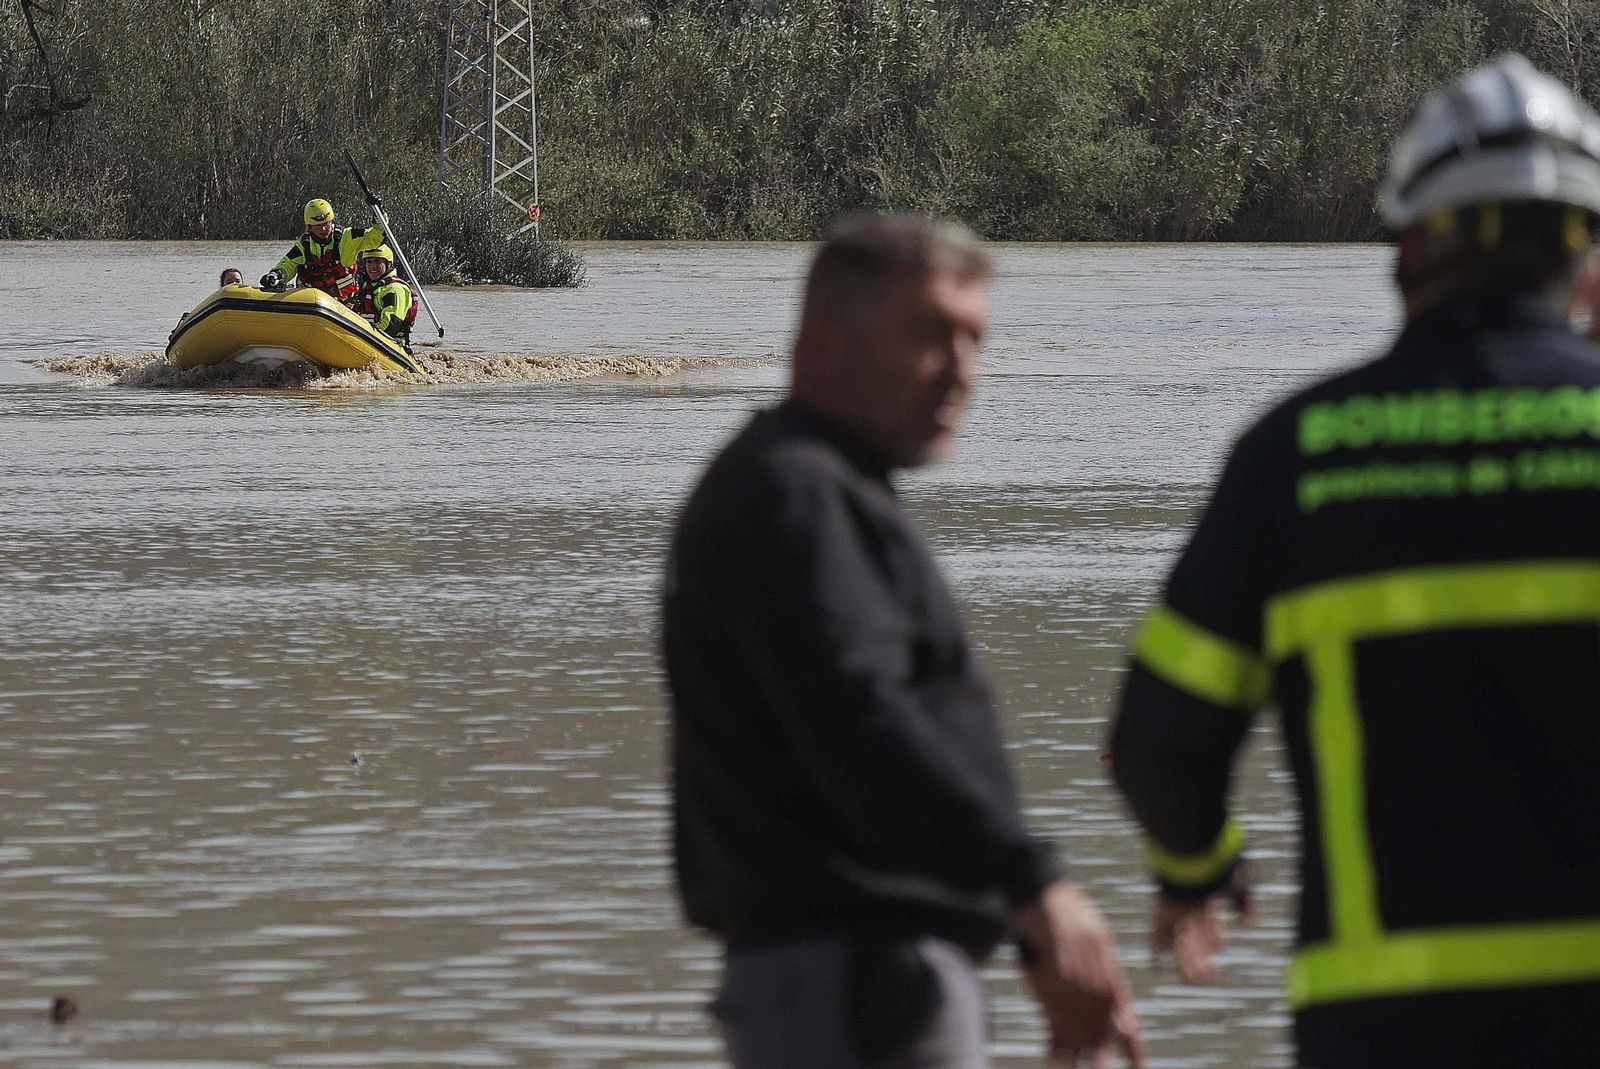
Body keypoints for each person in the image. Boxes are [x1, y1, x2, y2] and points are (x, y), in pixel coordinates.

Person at [1108, 53, 1600, 1068]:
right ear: (1584, 256)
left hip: (1388, 1026)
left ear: (1408, 246)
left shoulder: (1296, 455)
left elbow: (1158, 738)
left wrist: (1196, 868)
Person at [663, 214, 1142, 1069]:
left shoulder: (820, 487)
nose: (961, 371)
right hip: (854, 980)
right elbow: (863, 722)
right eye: (928, 334)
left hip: (862, 972)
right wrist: (1036, 889)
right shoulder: (795, 498)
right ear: (823, 341)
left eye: (974, 339)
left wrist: (1022, 928)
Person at [259, 198, 386, 303]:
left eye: (326, 223)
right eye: (319, 225)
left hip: (344, 305)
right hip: (311, 303)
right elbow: (289, 263)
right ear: (310, 226)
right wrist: (277, 274)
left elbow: (374, 238)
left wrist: (379, 216)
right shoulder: (304, 244)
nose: (324, 228)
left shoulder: (347, 237)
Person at [353, 245, 416, 348]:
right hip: (368, 339)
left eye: (377, 261)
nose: (373, 266)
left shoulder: (395, 289)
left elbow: (391, 324)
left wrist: (362, 334)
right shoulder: (367, 287)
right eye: (369, 262)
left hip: (392, 344)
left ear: (388, 264)